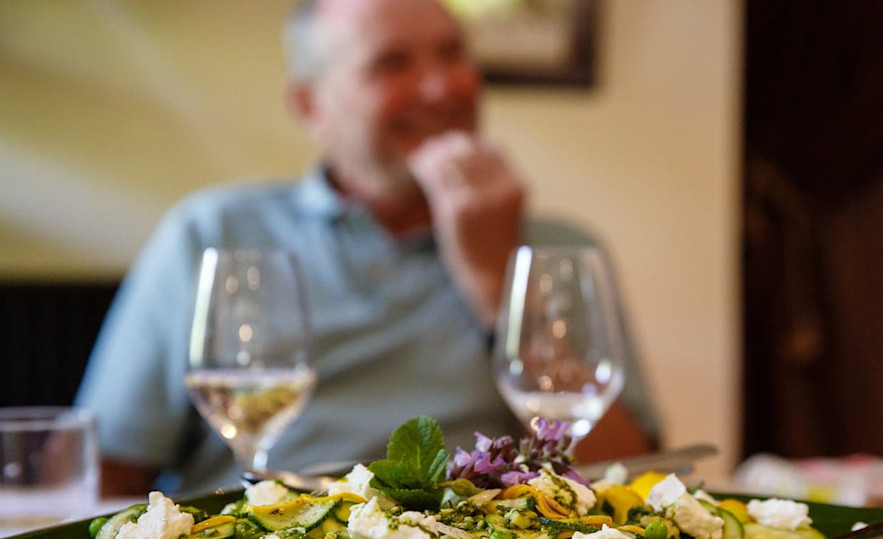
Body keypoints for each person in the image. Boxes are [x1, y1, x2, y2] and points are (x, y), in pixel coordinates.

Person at [76, 0, 659, 497]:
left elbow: (626, 475)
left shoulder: (559, 253)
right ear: (311, 106)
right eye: (391, 64)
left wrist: (492, 281)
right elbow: (106, 471)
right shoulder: (216, 233)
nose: (444, 86)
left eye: (454, 53)